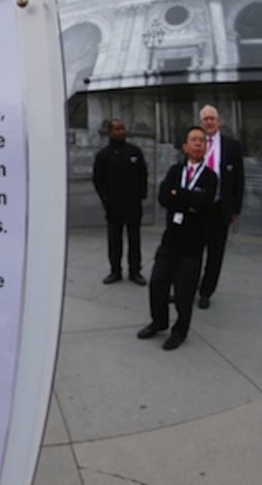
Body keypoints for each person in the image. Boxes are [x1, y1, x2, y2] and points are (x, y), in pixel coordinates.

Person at [137, 126, 217, 351]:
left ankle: (180, 331)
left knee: (183, 294)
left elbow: (204, 203)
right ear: (185, 146)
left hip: (192, 246)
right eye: (194, 140)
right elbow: (164, 197)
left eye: (202, 140)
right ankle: (159, 322)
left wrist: (179, 194)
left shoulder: (210, 177)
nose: (198, 143)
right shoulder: (175, 171)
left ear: (206, 147)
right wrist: (188, 201)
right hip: (170, 241)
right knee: (157, 284)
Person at [197, 104, 245, 310]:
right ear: (201, 122)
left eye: (212, 118)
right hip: (196, 208)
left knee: (215, 254)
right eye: (205, 119)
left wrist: (235, 209)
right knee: (192, 251)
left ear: (218, 121)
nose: (209, 122)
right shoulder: (195, 142)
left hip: (219, 208)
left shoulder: (232, 146)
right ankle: (186, 286)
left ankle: (206, 292)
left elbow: (239, 179)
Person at [92, 119, 148, 285]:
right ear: (110, 132)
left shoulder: (135, 152)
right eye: (117, 129)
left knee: (134, 240)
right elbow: (98, 179)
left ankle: (135, 271)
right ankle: (115, 271)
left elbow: (143, 174)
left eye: (123, 128)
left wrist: (141, 194)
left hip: (133, 204)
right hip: (113, 206)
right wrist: (105, 198)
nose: (121, 131)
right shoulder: (103, 155)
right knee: (114, 240)